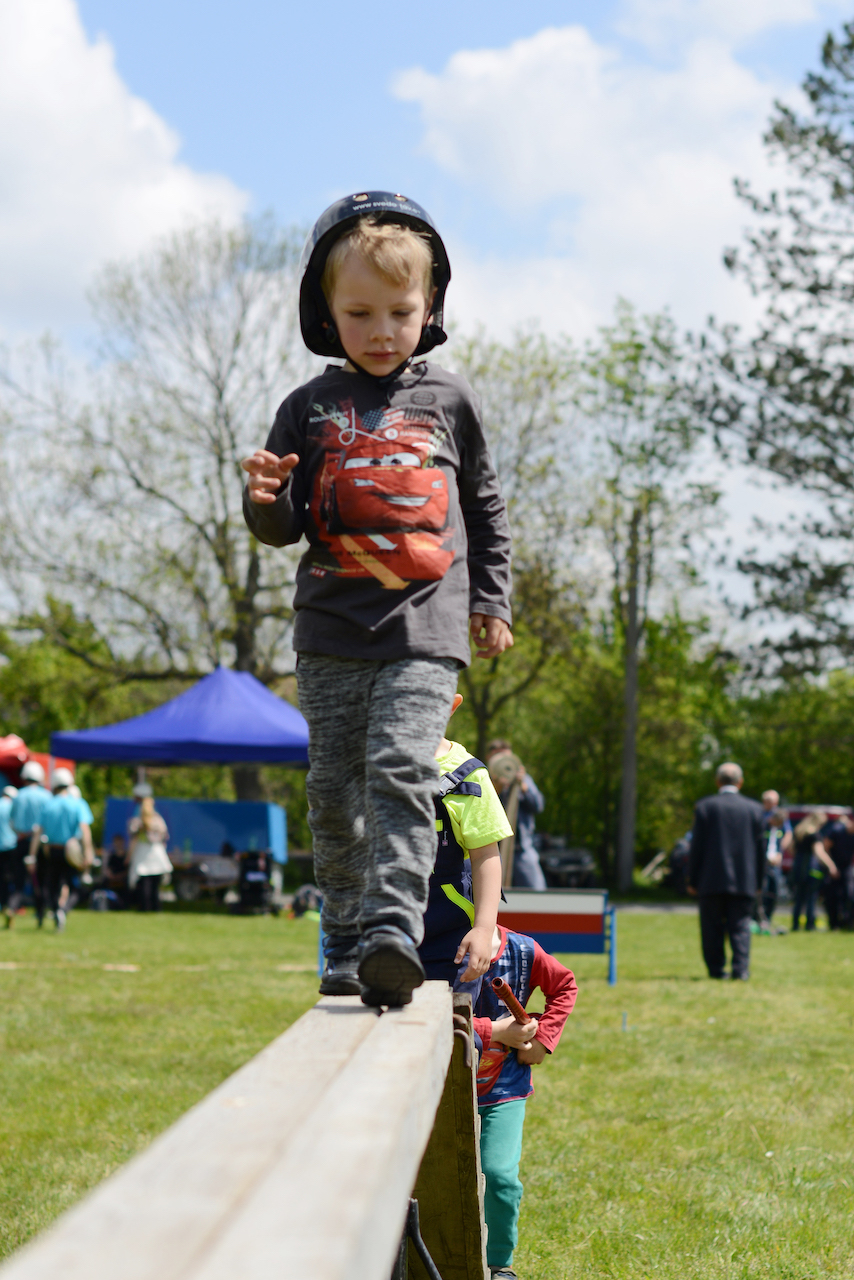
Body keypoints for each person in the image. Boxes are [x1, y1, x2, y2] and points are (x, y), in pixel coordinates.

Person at [242, 192, 513, 1008]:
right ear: (326, 312)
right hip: (331, 632)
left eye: (400, 311)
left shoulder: (451, 401)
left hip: (425, 632)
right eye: (359, 313)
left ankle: (394, 931)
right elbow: (283, 528)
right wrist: (263, 500)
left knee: (400, 770)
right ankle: (346, 935)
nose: (382, 330)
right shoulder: (307, 408)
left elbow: (484, 508)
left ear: (430, 307)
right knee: (334, 793)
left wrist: (492, 598)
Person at [469, 925, 577, 1278]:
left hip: (504, 1088)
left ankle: (499, 1263)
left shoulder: (523, 950)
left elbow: (564, 985)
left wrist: (543, 1039)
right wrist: (496, 1031)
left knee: (498, 1175)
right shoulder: (432, 949)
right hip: (438, 1087)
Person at [417, 693, 508, 987]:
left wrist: (483, 929)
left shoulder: (468, 776)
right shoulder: (372, 768)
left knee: (449, 1016)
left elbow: (486, 856)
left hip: (450, 942)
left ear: (451, 706)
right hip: (381, 936)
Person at [687, 762, 766, 980]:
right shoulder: (754, 809)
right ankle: (740, 970)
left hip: (711, 879)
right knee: (741, 927)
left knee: (711, 928)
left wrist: (692, 879)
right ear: (740, 782)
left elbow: (696, 847)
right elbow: (760, 850)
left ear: (717, 781)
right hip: (744, 879)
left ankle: (716, 970)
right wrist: (759, 881)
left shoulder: (705, 807)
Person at [36, 767, 94, 931]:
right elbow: (85, 831)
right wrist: (88, 852)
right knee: (75, 885)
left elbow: (39, 832)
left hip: (53, 851)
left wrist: (33, 855)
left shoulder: (48, 805)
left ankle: (57, 910)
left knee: (52, 886)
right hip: (72, 852)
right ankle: (64, 910)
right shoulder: (78, 804)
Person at [487, 740, 547, 890]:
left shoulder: (523, 780)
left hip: (522, 848)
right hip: (492, 850)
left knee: (536, 891)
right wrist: (497, 787)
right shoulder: (484, 781)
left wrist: (523, 786)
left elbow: (538, 805)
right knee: (491, 891)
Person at [9, 761, 50, 927]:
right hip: (39, 845)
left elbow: (12, 822)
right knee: (39, 881)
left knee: (18, 881)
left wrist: (21, 833)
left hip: (20, 843)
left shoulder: (18, 796)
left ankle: (12, 907)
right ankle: (40, 915)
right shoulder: (46, 796)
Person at [791, 811, 837, 932]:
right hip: (810, 868)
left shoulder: (799, 832)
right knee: (811, 897)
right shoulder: (814, 835)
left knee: (799, 898)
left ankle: (795, 924)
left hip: (797, 867)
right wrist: (831, 865)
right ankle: (809, 925)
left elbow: (791, 849)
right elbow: (819, 852)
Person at [128, 791, 172, 912]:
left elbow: (132, 837)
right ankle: (154, 907)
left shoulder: (138, 821)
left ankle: (146, 907)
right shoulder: (156, 820)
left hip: (145, 855)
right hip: (155, 855)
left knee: (145, 885)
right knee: (153, 886)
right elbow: (165, 836)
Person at [820, 813, 853, 930]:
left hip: (846, 868)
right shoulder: (837, 831)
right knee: (832, 897)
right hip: (832, 867)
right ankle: (833, 924)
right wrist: (831, 866)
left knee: (848, 895)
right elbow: (825, 847)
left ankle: (847, 922)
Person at [0, 786, 19, 924]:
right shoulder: (13, 806)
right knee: (12, 878)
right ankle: (10, 906)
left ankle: (3, 905)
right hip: (11, 846)